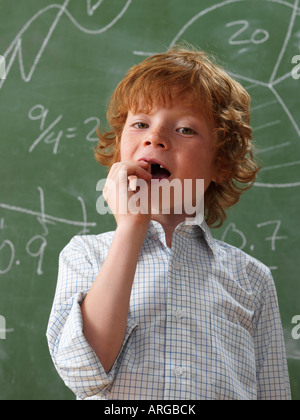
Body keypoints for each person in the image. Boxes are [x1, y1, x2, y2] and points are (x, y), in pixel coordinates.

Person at [46, 45, 291, 400]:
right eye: (141, 123)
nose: (154, 137)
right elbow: (84, 372)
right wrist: (132, 226)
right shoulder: (85, 255)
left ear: (220, 164)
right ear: (119, 151)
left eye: (185, 130)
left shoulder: (252, 279)